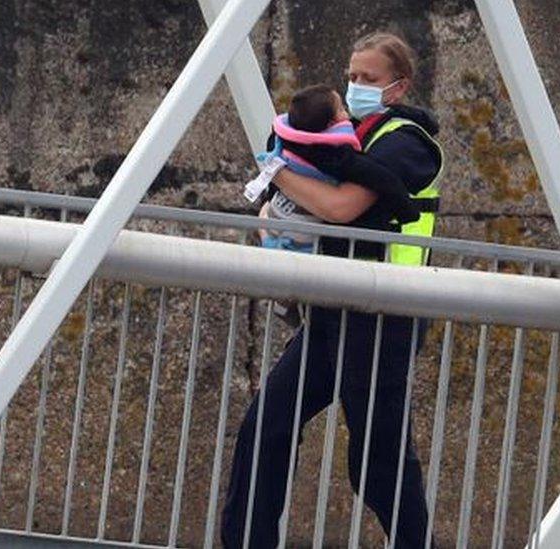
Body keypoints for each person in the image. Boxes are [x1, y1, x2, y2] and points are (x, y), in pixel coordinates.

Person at [221, 32, 444, 548]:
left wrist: (275, 170)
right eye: (352, 76)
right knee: (265, 431)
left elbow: (342, 208)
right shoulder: (351, 138)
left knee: (378, 466)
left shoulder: (407, 141)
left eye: (369, 78)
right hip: (333, 310)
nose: (356, 85)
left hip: (385, 316)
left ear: (398, 87)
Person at [249, 84, 419, 253]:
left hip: (274, 218)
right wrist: (406, 209)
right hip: (301, 238)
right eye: (341, 109)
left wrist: (275, 174)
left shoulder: (285, 141)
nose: (347, 114)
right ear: (332, 122)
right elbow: (375, 175)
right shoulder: (333, 154)